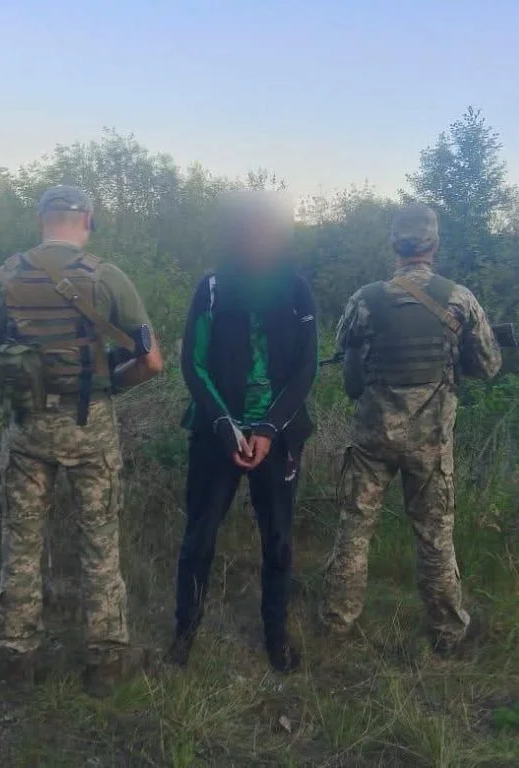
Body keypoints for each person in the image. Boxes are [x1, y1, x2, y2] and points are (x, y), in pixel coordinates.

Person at [0, 185, 163, 687]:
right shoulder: (107, 277)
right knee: (99, 539)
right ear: (88, 222)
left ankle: (15, 656)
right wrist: (112, 385)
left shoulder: (3, 276)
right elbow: (151, 361)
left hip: (26, 427)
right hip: (89, 425)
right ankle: (106, 661)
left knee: (20, 539)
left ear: (41, 221)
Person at [319, 202, 502, 655]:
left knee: (354, 530)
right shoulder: (459, 299)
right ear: (434, 245)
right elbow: (488, 366)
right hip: (430, 444)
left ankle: (337, 625)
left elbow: (344, 353)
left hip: (372, 441)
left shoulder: (364, 300)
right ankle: (447, 632)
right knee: (435, 536)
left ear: (393, 245)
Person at [168, 189, 318, 673]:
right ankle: (184, 636)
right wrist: (224, 425)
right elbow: (192, 363)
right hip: (216, 434)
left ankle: (277, 638)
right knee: (199, 538)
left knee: (278, 541)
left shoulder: (296, 289)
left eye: (268, 230)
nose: (259, 239)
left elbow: (307, 367)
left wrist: (269, 428)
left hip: (278, 436)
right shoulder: (212, 287)